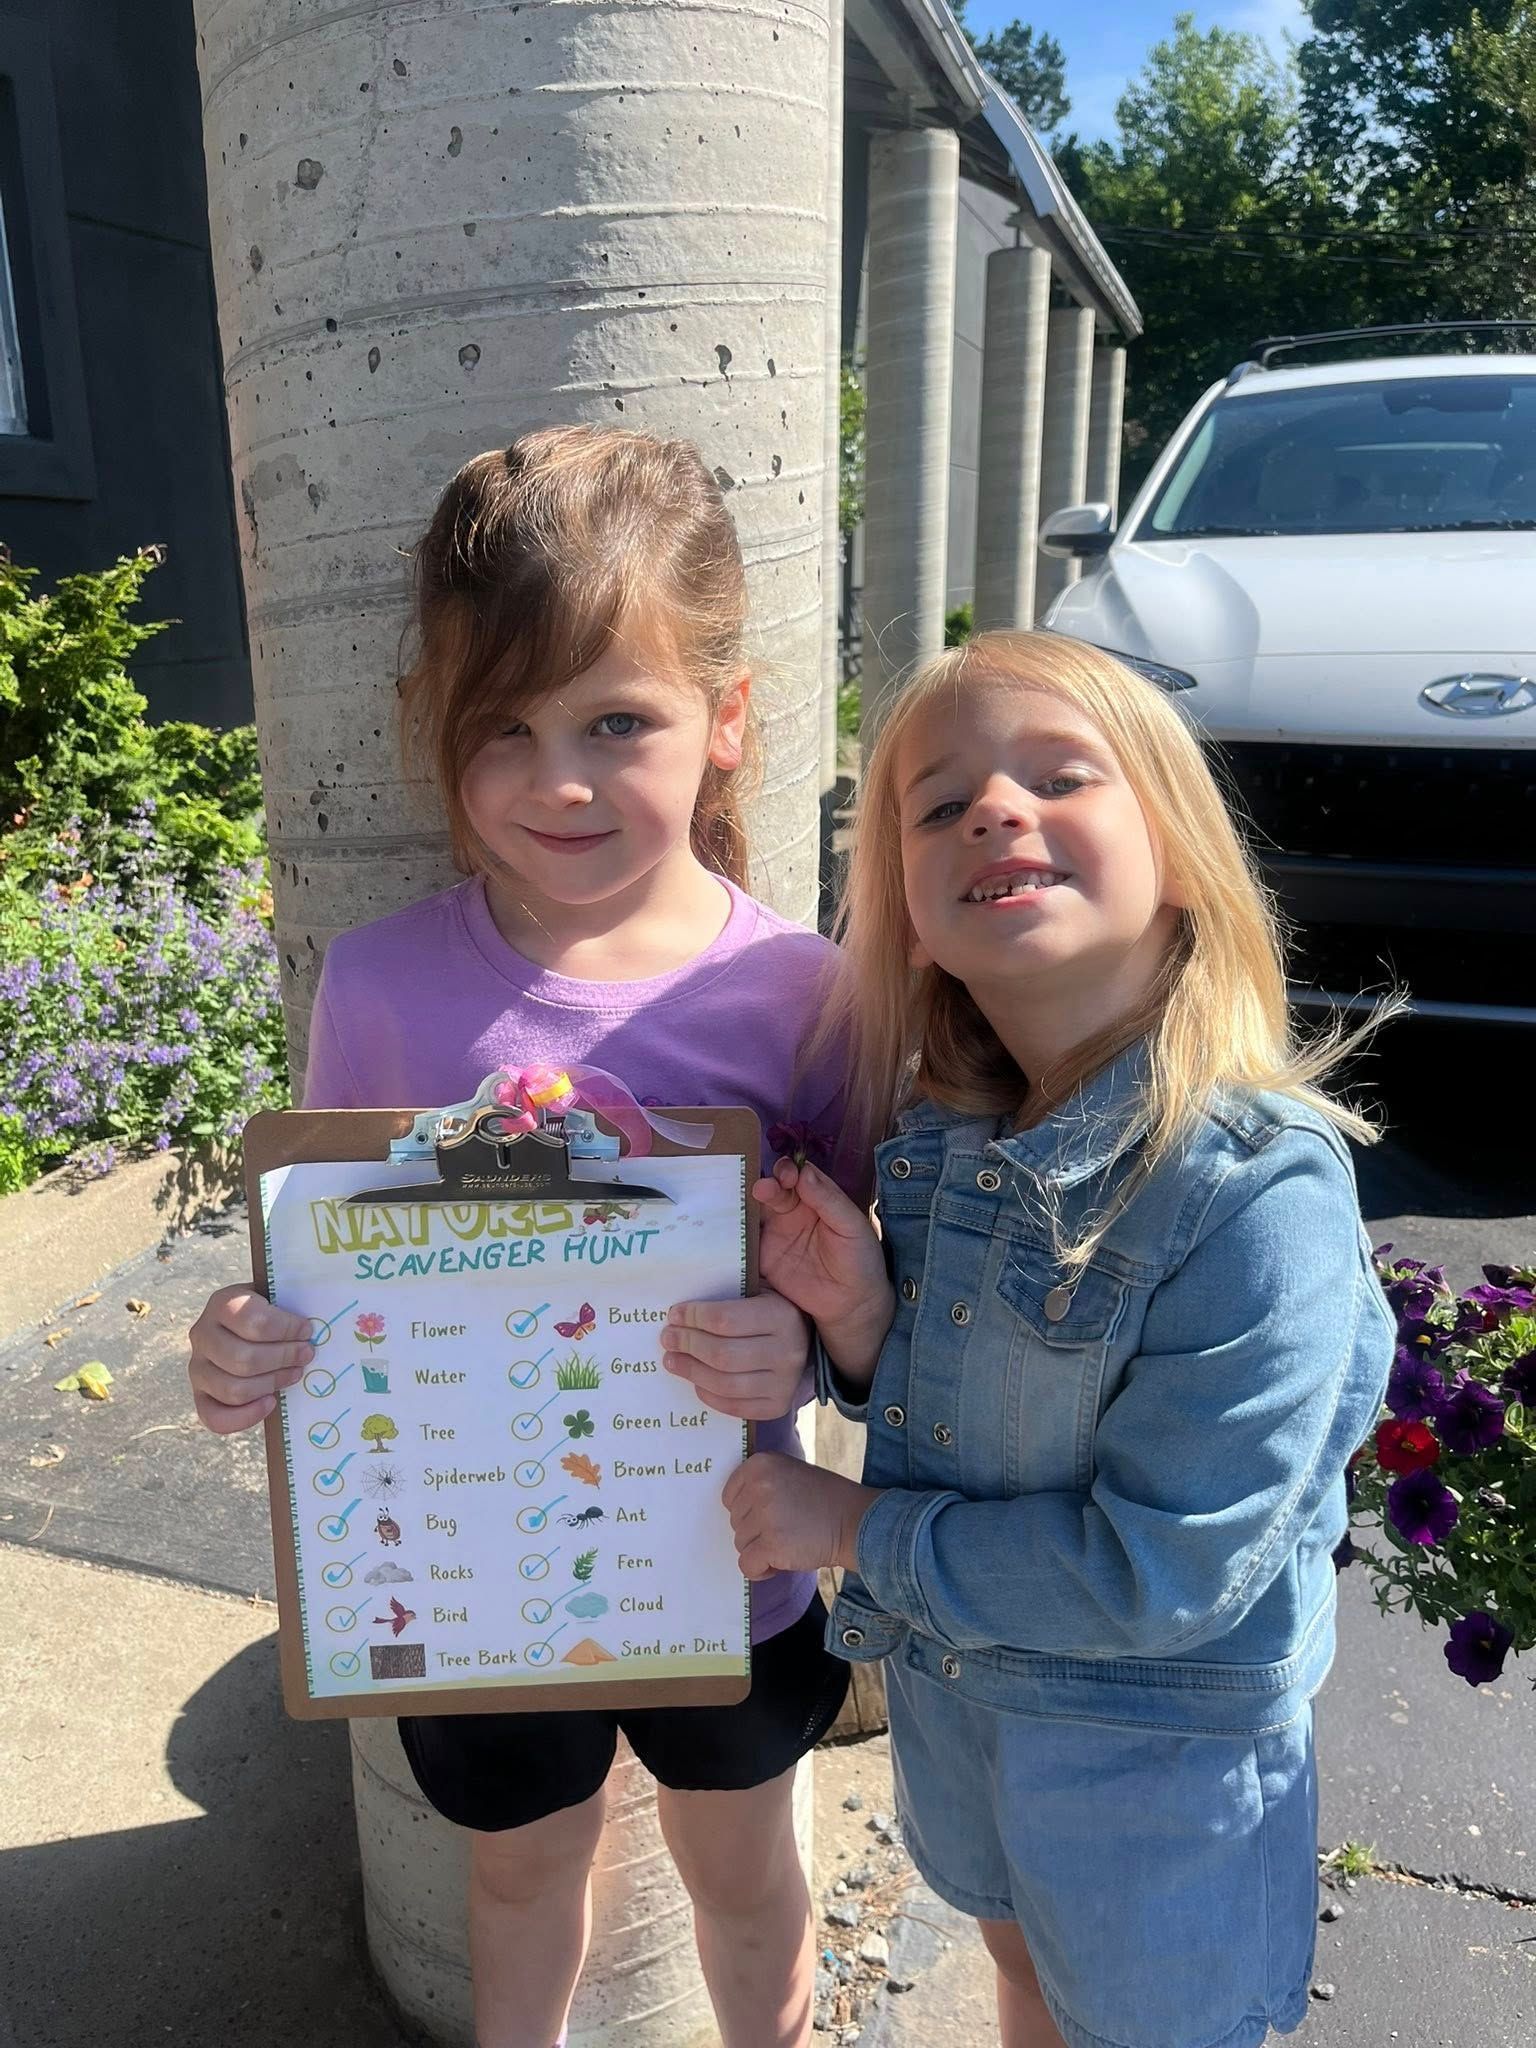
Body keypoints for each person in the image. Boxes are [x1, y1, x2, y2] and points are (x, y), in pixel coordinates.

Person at [187, 425, 856, 2048]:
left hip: (733, 1568)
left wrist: (818, 1335)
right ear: (441, 734)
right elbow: (326, 1267)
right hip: (476, 1586)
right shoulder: (385, 984)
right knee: (518, 1878)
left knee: (747, 1876)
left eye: (617, 721)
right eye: (505, 729)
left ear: (727, 725)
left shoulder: (801, 992)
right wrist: (250, 1350)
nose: (557, 780)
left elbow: (869, 1276)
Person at [693, 631, 1397, 2048]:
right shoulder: (949, 1140)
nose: (994, 813)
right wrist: (865, 1315)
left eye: (1058, 777)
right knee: (1020, 1982)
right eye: (940, 805)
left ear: (1183, 853)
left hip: (1154, 1773)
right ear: (909, 902)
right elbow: (985, 1419)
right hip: (974, 1711)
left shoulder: (1254, 1191)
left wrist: (854, 1528)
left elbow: (1166, 1565)